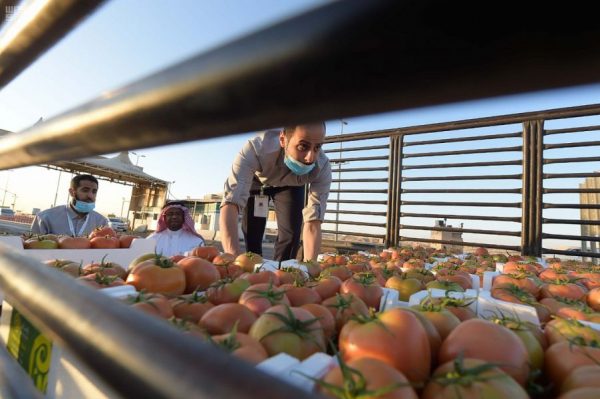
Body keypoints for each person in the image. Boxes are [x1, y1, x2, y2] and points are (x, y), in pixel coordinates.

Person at [220, 123, 331, 261]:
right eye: (303, 146)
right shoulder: (255, 149)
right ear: (283, 140)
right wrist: (233, 261)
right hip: (257, 181)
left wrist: (311, 267)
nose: (310, 158)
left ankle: (283, 272)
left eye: (317, 147)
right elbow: (231, 203)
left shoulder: (322, 166)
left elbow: (313, 221)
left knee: (291, 234)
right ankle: (253, 269)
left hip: (291, 184)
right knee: (252, 232)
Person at [31, 174, 109, 236]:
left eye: (94, 192)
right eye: (85, 190)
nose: (90, 196)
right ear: (72, 192)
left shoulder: (101, 222)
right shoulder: (45, 218)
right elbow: (32, 248)